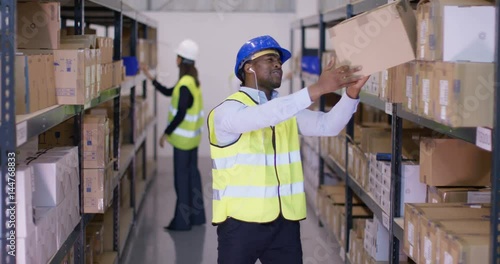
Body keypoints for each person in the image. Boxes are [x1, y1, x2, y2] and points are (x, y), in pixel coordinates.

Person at [207, 35, 369, 263]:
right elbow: (262, 116)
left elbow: (328, 125)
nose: (277, 64)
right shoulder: (227, 112)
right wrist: (318, 88)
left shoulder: (285, 111)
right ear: (248, 67)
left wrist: (351, 95)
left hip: (284, 223)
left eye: (280, 61)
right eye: (270, 58)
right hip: (240, 225)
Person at [142, 39, 206, 231]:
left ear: (180, 59)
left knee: (182, 180)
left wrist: (165, 134)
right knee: (193, 176)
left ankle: (182, 222)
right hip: (193, 139)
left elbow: (181, 113)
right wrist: (150, 78)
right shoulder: (191, 81)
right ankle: (196, 217)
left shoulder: (185, 84)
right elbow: (170, 91)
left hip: (182, 142)